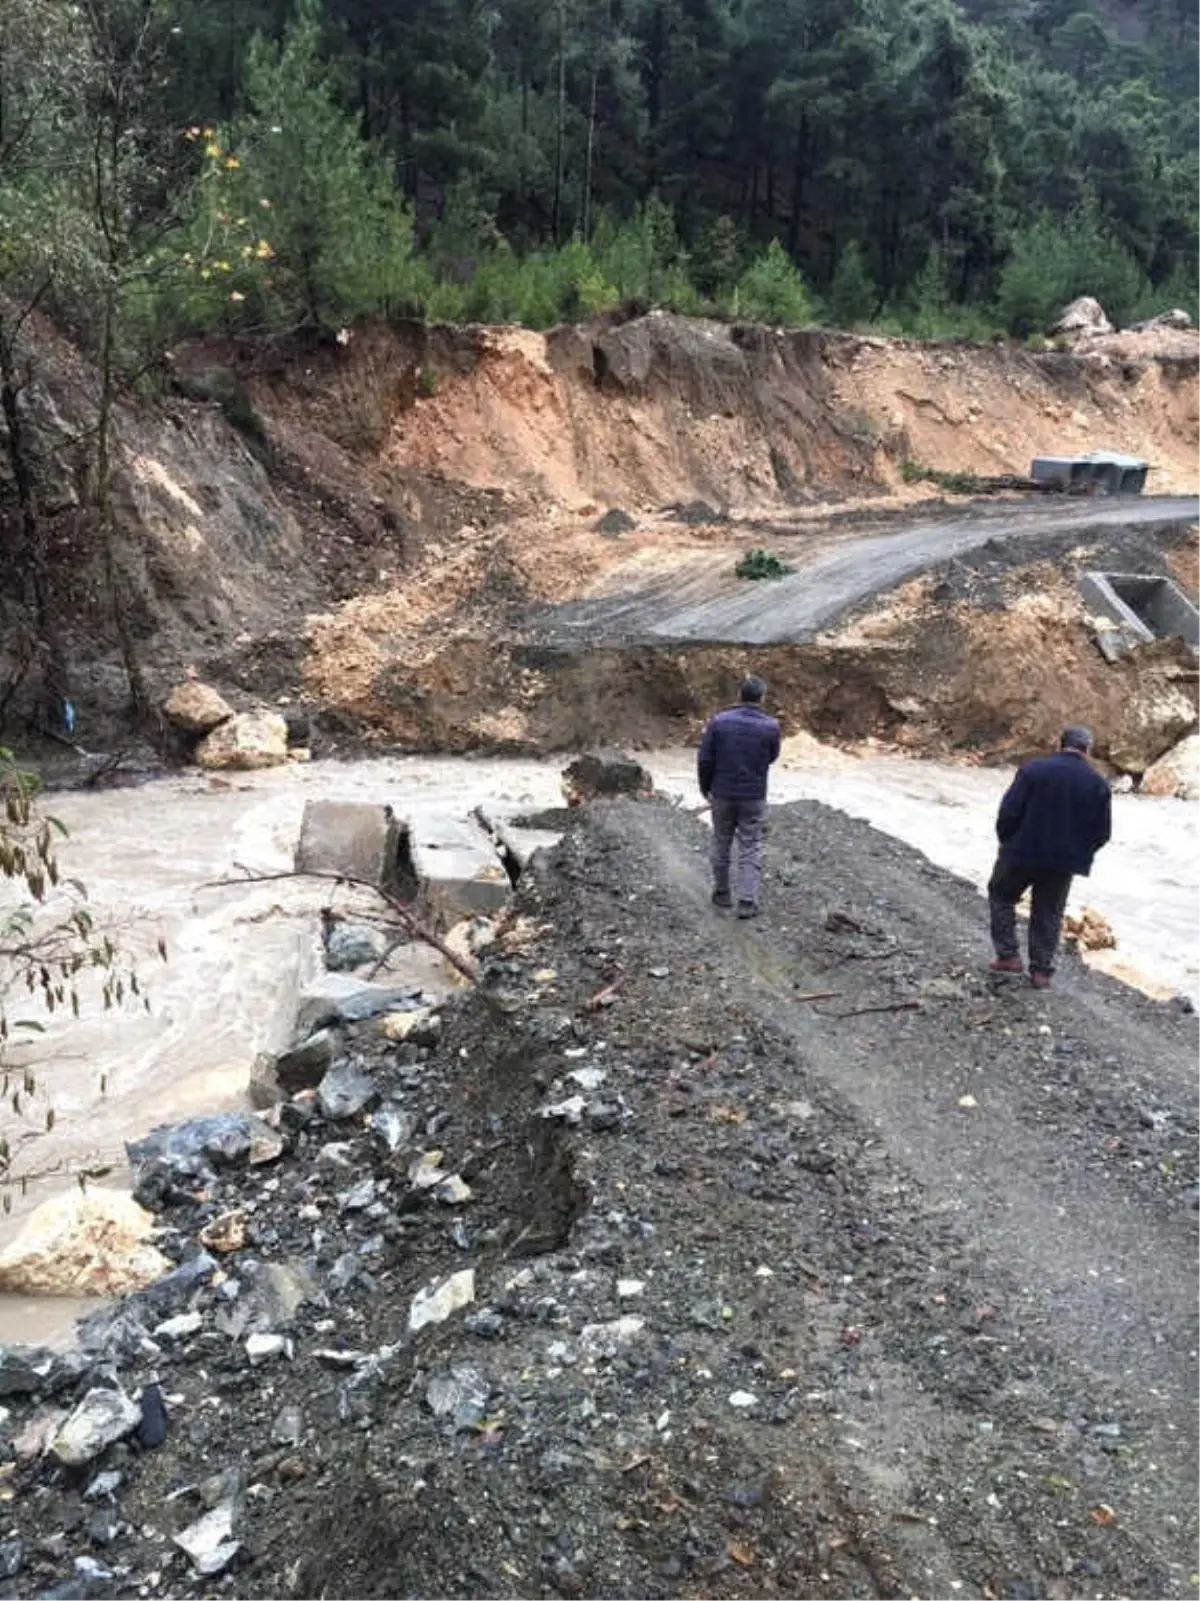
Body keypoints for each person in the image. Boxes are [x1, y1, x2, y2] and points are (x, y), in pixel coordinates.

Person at [988, 725, 1112, 989]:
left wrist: (1006, 840)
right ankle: (1041, 972)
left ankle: (1008, 955)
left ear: (1059, 743)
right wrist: (1080, 853)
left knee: (1001, 896)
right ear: (1087, 750)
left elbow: (1009, 811)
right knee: (1048, 913)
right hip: (1062, 861)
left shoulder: (1033, 770)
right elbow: (1101, 832)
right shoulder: (1098, 784)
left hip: (1021, 850)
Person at [697, 675, 781, 919]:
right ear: (762, 698)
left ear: (739, 695)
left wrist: (706, 788)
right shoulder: (771, 726)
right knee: (751, 845)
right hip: (753, 794)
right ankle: (747, 900)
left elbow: (705, 759)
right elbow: (772, 756)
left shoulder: (718, 722)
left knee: (721, 840)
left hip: (722, 791)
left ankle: (722, 892)